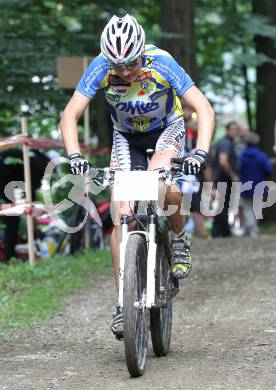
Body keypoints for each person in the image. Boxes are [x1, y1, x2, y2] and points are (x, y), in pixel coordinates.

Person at [60, 14, 215, 337]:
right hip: (126, 137)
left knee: (165, 188)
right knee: (122, 213)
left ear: (142, 51)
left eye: (130, 62)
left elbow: (204, 107)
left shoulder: (162, 62)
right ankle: (122, 303)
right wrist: (74, 156)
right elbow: (70, 115)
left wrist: (199, 152)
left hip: (165, 131)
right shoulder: (102, 67)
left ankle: (179, 239)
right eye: (118, 65)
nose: (125, 71)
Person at [240, 132, 272, 236]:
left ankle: (250, 228)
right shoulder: (261, 156)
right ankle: (253, 229)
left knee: (247, 207)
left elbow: (238, 169)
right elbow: (269, 169)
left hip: (245, 185)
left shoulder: (242, 155)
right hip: (260, 185)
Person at [212, 121, 240, 237]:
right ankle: (225, 232)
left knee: (222, 206)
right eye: (232, 129)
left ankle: (217, 231)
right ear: (227, 130)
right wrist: (233, 175)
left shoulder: (226, 142)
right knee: (223, 206)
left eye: (236, 129)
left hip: (222, 179)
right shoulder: (226, 143)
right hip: (224, 179)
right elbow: (223, 161)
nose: (235, 132)